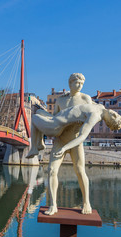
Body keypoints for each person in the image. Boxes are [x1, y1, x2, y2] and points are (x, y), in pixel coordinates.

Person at [28, 73, 92, 215]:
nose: (80, 85)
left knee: (80, 171)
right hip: (60, 139)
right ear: (70, 83)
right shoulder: (60, 100)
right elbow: (55, 119)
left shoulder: (85, 99)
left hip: (75, 141)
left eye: (82, 83)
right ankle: (53, 204)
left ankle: (86, 202)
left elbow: (90, 119)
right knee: (51, 170)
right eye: (77, 82)